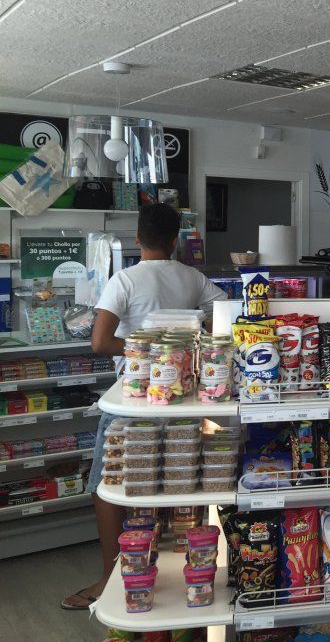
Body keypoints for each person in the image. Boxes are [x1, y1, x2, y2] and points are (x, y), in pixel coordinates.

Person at [62, 203, 227, 610]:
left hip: (133, 399)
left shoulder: (124, 279)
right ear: (176, 241)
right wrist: (184, 347)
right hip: (181, 398)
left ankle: (110, 577)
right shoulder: (193, 277)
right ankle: (182, 572)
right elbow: (224, 314)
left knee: (110, 483)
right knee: (172, 477)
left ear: (137, 239)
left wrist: (148, 351)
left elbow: (99, 343)